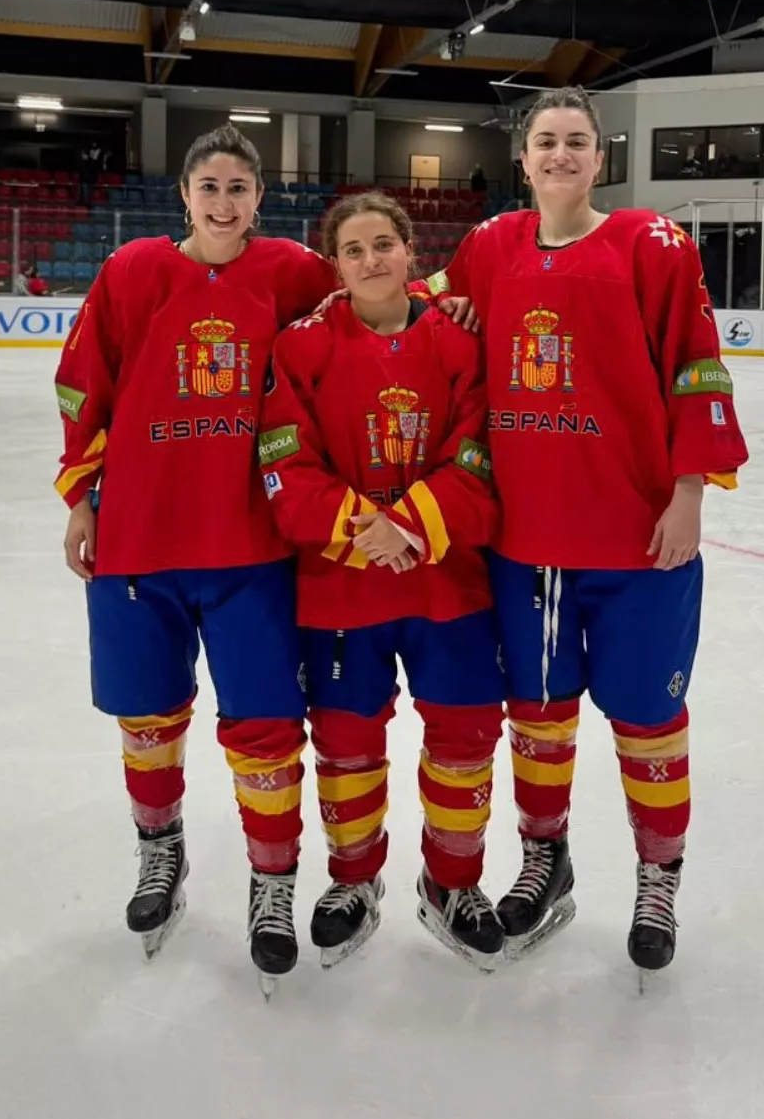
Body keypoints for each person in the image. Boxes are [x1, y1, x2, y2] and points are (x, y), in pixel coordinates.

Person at [425, 86, 749, 973]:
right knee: (539, 716)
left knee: (649, 718)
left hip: (640, 542)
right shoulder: (492, 246)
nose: (560, 154)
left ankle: (658, 874)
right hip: (526, 547)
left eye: (576, 141)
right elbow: (421, 301)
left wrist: (690, 492)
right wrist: (437, 306)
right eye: (545, 141)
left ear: (599, 158)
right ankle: (545, 859)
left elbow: (695, 366)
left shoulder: (653, 245)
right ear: (522, 159)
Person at [54, 124, 337, 991]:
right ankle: (160, 852)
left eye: (239, 189)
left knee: (263, 726)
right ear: (184, 194)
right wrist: (79, 496)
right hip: (139, 538)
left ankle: (272, 881)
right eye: (209, 187)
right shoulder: (132, 271)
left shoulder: (292, 271)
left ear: (260, 198)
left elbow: (366, 304)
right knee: (148, 716)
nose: (224, 203)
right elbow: (83, 385)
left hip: (250, 541)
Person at [260, 192, 507, 970]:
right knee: (346, 741)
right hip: (343, 587)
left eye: (384, 244)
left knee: (466, 735)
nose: (371, 260)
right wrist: (366, 528)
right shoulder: (299, 347)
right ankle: (353, 879)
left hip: (449, 582)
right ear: (335, 263)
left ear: (410, 251)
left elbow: (482, 452)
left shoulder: (462, 346)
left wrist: (410, 523)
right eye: (354, 249)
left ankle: (453, 880)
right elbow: (284, 463)